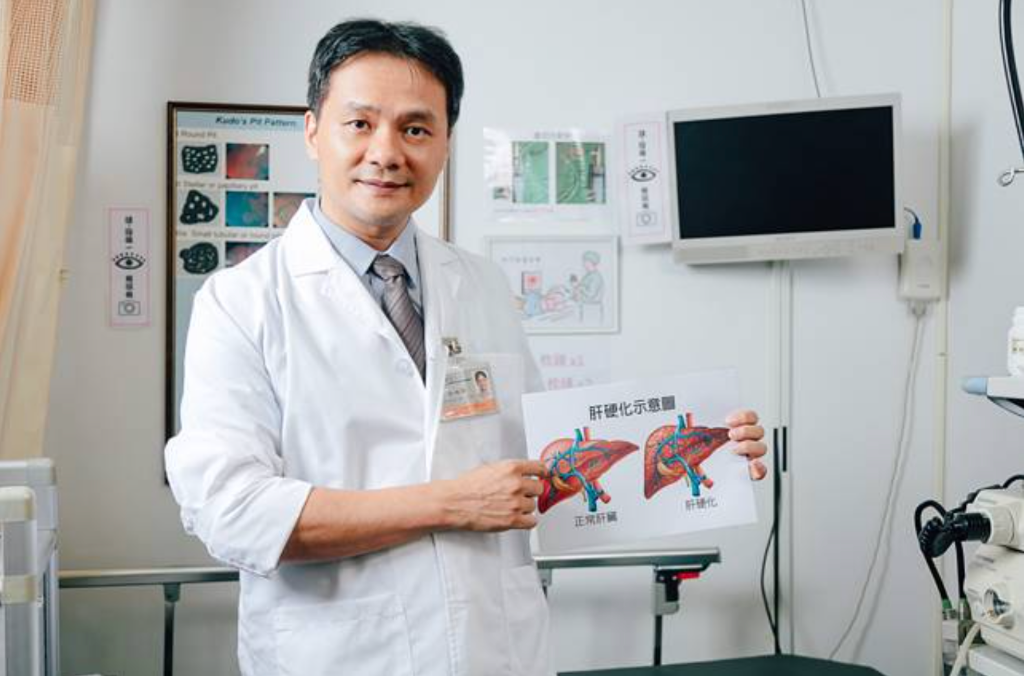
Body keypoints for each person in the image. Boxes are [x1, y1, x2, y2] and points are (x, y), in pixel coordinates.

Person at [164, 19, 768, 676]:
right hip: (340, 654)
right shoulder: (242, 301)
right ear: (313, 131)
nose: (386, 152)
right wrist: (450, 504)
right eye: (360, 123)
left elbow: (541, 469)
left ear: (445, 143)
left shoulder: (480, 284)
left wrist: (699, 447)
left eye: (415, 129)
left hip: (493, 649)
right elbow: (232, 510)